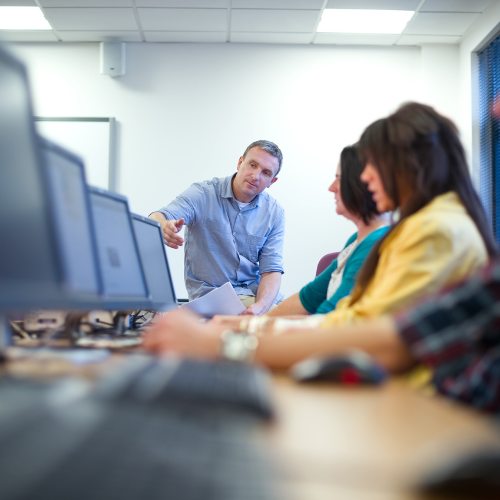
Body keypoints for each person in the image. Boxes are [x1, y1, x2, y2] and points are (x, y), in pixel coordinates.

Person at [143, 103, 498, 411]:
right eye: (252, 166)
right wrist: (243, 330)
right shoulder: (429, 223)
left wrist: (231, 340)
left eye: (371, 165)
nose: (365, 176)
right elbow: (345, 317)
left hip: (408, 399)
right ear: (240, 162)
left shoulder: (435, 229)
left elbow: (372, 338)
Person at [150, 140, 285, 316]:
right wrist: (163, 226)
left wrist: (261, 306)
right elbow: (159, 216)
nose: (255, 176)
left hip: (254, 295)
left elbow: (271, 269)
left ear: (271, 181)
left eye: (265, 173)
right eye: (252, 165)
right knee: (283, 324)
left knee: (303, 316)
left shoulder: (274, 212)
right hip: (212, 297)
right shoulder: (203, 194)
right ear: (239, 162)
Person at [265, 144, 389, 320]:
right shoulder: (358, 239)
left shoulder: (375, 243)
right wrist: (254, 324)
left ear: (364, 183)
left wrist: (251, 328)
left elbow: (325, 319)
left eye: (338, 179)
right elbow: (310, 297)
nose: (331, 187)